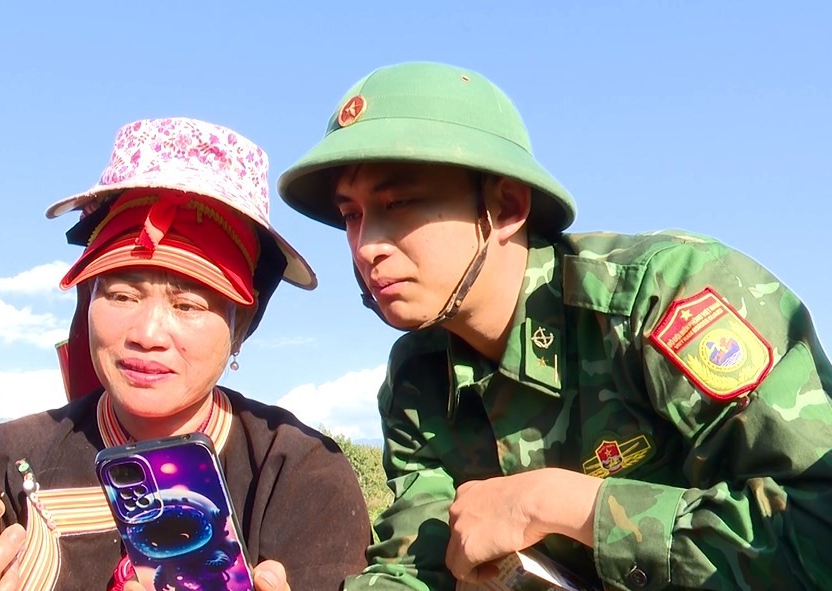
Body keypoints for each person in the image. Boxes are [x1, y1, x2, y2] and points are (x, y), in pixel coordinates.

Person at [275, 61, 832, 590]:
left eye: (399, 203)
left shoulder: (655, 299)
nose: (366, 246)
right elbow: (417, 566)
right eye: (351, 216)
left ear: (506, 207)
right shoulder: (418, 378)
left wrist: (560, 504)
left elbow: (818, 526)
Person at [0, 117, 372, 591]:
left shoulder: (302, 479)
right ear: (88, 301)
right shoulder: (1, 464)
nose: (147, 333)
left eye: (189, 304)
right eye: (121, 295)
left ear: (242, 327)